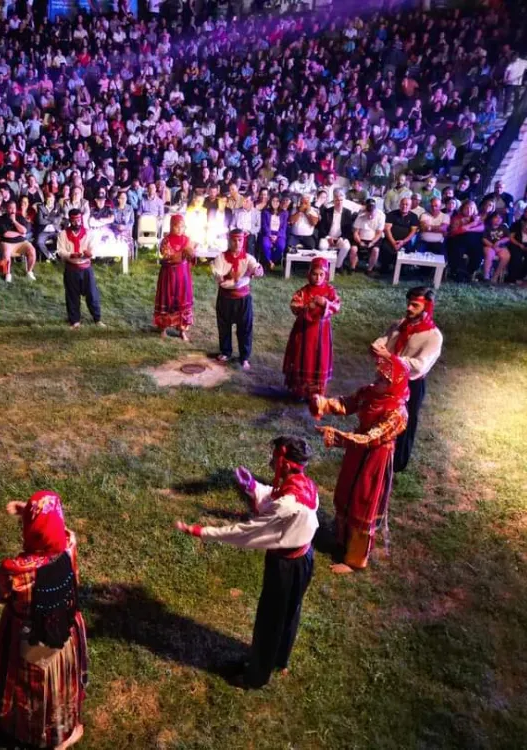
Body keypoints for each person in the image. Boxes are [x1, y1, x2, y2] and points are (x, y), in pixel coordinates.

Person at [174, 436, 318, 687]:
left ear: (285, 463)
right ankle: (279, 660)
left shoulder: (288, 503)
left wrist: (202, 531)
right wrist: (253, 486)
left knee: (270, 618)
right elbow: (277, 503)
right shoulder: (306, 486)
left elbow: (245, 531)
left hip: (285, 566)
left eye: (275, 457)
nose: (271, 461)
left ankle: (256, 676)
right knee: (290, 612)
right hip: (305, 557)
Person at [0, 490, 87, 750]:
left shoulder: (17, 571)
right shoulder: (69, 546)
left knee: (32, 688)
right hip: (64, 633)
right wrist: (29, 510)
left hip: (31, 639)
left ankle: (37, 737)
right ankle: (64, 733)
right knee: (60, 687)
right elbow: (59, 529)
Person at [310, 354, 410, 573]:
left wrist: (338, 437)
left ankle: (354, 559)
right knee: (346, 491)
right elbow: (349, 403)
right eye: (378, 376)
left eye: (383, 380)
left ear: (395, 384)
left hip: (376, 458)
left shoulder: (397, 413)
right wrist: (324, 403)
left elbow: (372, 438)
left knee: (363, 502)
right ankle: (341, 538)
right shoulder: (370, 393)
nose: (377, 382)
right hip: (357, 452)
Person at [371, 287, 443, 472]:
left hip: (410, 384)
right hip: (388, 379)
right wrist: (377, 345)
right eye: (409, 304)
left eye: (415, 305)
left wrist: (391, 358)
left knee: (404, 422)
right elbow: (385, 339)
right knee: (380, 415)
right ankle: (374, 452)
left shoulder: (433, 337)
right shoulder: (400, 325)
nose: (409, 308)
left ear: (427, 308)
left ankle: (396, 462)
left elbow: (420, 365)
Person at [283, 257, 341, 400]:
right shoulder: (304, 291)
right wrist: (309, 306)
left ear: (326, 275)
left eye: (321, 274)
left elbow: (336, 306)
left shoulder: (329, 291)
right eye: (315, 274)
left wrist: (325, 303)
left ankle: (316, 392)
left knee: (319, 357)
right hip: (304, 332)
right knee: (303, 356)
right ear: (309, 274)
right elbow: (294, 306)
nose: (318, 278)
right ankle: (301, 390)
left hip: (322, 332)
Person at [212, 229, 263, 371]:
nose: (237, 243)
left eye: (240, 240)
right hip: (225, 298)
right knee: (224, 326)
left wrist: (257, 270)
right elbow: (218, 276)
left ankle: (244, 357)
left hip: (243, 300)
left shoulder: (248, 258)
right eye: (234, 240)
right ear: (229, 240)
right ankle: (225, 352)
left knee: (245, 328)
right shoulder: (221, 258)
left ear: (243, 241)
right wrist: (231, 277)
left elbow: (256, 267)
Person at [56, 208, 103, 329]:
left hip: (86, 268)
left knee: (92, 294)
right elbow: (60, 251)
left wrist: (90, 253)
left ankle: (97, 319)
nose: (77, 223)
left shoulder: (89, 233)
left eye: (79, 220)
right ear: (70, 220)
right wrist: (70, 255)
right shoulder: (63, 234)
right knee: (72, 295)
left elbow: (94, 248)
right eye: (74, 220)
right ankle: (75, 321)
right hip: (71, 268)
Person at [154, 214, 196, 341]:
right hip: (168, 275)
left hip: (182, 275)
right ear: (172, 226)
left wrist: (191, 253)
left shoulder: (187, 240)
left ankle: (182, 330)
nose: (180, 229)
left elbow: (191, 256)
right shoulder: (166, 240)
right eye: (177, 226)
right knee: (167, 298)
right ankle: (163, 328)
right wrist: (181, 254)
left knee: (182, 300)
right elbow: (167, 255)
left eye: (182, 227)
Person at [0, 200, 37, 283]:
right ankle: (7, 274)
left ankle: (29, 271)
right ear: (6, 209)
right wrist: (19, 233)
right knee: (6, 252)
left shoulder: (19, 217)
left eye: (14, 208)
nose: (12, 210)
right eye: (10, 208)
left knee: (32, 250)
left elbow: (24, 231)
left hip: (22, 243)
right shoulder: (1, 219)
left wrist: (14, 221)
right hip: (7, 243)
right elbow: (6, 234)